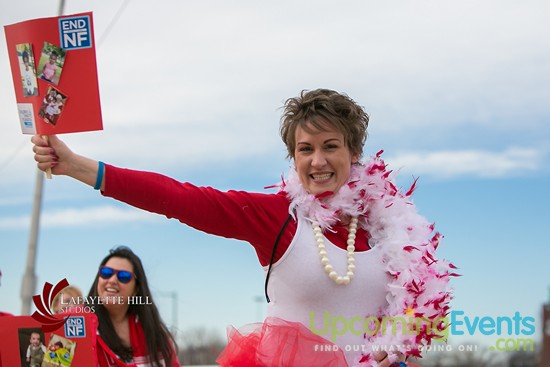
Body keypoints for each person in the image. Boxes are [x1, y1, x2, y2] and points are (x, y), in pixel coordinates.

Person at [31, 89, 454, 367]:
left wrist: (398, 343)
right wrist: (80, 167)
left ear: (354, 152)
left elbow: (422, 309)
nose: (317, 161)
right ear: (293, 157)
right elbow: (180, 198)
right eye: (305, 149)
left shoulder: (391, 228)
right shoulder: (275, 218)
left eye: (330, 147)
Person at [89, 246, 179, 367]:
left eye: (124, 276)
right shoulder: (76, 325)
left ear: (136, 289)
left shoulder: (155, 334)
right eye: (106, 273)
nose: (112, 280)